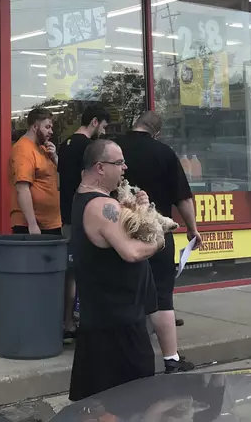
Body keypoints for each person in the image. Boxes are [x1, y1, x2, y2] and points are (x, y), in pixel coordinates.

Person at [69, 138, 163, 402]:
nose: (125, 167)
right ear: (100, 167)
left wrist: (138, 209)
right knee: (133, 401)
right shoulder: (104, 206)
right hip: (118, 324)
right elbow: (132, 251)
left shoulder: (87, 198)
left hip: (103, 320)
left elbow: (118, 232)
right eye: (119, 162)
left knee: (101, 402)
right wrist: (158, 242)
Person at [116, 111, 200, 374]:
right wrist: (192, 229)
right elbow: (184, 198)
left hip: (120, 233)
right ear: (157, 132)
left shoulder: (114, 150)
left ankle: (124, 357)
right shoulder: (164, 153)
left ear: (134, 124)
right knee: (162, 297)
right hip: (157, 234)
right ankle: (171, 359)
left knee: (124, 295)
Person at [57, 104, 110, 341]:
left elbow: (61, 179)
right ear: (95, 122)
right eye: (104, 126)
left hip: (66, 214)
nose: (105, 132)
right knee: (84, 271)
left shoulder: (65, 144)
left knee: (70, 272)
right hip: (85, 214)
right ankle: (77, 322)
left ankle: (67, 320)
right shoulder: (89, 149)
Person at [9, 107, 61, 235]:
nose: (51, 132)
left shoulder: (43, 148)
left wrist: (54, 157)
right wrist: (32, 225)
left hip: (50, 223)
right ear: (35, 127)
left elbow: (58, 177)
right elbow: (22, 188)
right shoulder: (23, 150)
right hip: (33, 226)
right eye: (47, 127)